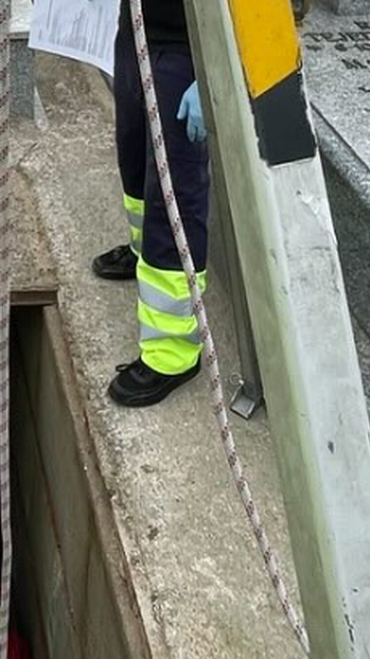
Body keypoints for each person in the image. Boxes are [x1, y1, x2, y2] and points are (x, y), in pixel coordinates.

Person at [90, 0, 210, 407]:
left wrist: (215, 69)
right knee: (135, 154)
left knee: (173, 195)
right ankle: (144, 255)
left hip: (188, 47)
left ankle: (173, 352)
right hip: (139, 28)